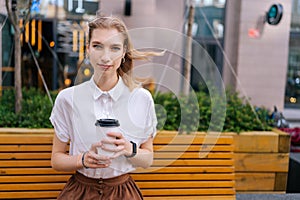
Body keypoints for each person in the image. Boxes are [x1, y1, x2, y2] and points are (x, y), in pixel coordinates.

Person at [50, 15, 162, 199]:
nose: (105, 56)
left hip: (122, 192)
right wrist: (82, 159)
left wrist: (128, 148)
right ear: (88, 49)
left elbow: (148, 159)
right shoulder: (68, 99)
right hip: (81, 191)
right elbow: (56, 159)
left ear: (124, 51)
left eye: (115, 48)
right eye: (97, 46)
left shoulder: (141, 99)